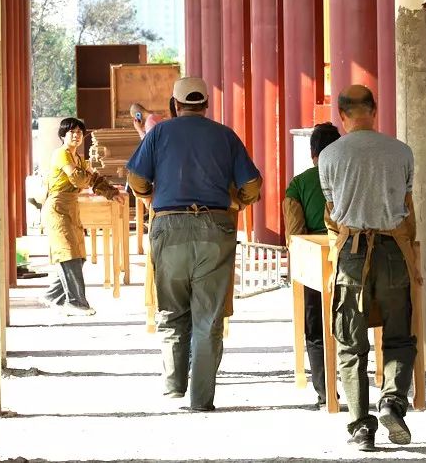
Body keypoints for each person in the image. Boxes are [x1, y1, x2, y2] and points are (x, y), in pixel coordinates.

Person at [126, 77, 262, 411]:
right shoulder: (225, 135)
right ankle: (201, 399)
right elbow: (252, 183)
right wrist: (237, 203)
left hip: (169, 225)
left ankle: (174, 385)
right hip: (215, 226)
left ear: (175, 105)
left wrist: (151, 198)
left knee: (172, 309)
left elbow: (135, 178)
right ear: (205, 106)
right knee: (208, 316)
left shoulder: (158, 133)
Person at [318, 85, 420, 451]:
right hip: (394, 251)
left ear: (341, 115)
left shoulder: (329, 156)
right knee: (398, 334)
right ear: (374, 110)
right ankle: (392, 400)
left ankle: (361, 426)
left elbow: (332, 213)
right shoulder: (401, 152)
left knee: (350, 342)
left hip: (351, 255)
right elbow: (407, 207)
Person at [282, 123, 341, 409]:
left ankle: (325, 390)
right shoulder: (349, 177)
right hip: (351, 254)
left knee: (315, 327)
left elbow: (294, 233)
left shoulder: (298, 185)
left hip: (314, 260)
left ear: (312, 153)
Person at [41, 117, 127, 315]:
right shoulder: (61, 154)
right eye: (72, 132)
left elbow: (92, 178)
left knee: (78, 255)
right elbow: (78, 178)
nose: (76, 135)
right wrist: (93, 181)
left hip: (71, 206)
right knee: (68, 253)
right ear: (63, 135)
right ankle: (76, 302)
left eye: (79, 132)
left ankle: (53, 295)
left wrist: (111, 193)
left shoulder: (78, 158)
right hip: (58, 207)